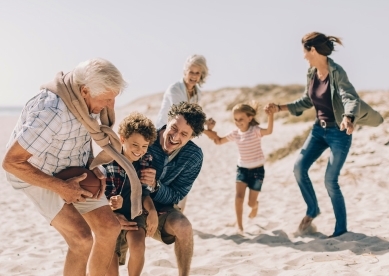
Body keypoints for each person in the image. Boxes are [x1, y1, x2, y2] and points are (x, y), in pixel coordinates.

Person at [1, 58, 142, 276]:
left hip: (69, 167)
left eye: (113, 99)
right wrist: (60, 187)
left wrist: (93, 167)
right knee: (81, 239)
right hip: (35, 172)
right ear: (85, 90)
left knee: (109, 228)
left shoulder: (87, 100)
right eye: (106, 99)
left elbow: (80, 140)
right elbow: (11, 162)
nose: (110, 106)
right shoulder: (52, 112)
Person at [266, 32, 383, 238]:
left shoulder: (337, 72)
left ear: (312, 50)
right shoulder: (311, 73)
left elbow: (349, 97)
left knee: (330, 180)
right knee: (299, 168)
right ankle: (312, 209)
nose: (303, 56)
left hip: (339, 132)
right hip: (318, 130)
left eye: (304, 51)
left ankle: (340, 230)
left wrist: (348, 117)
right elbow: (306, 100)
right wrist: (279, 108)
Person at [117, 102, 206, 276]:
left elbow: (178, 195)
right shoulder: (145, 140)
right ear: (168, 120)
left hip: (162, 209)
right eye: (173, 128)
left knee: (184, 227)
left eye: (184, 134)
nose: (175, 136)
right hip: (127, 204)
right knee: (112, 256)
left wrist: (156, 186)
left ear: (192, 137)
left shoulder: (194, 156)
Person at [204, 101, 274, 235]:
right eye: (235, 120)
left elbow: (269, 131)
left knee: (250, 203)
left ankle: (255, 206)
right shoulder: (235, 133)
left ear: (250, 118)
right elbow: (218, 141)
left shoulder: (255, 131)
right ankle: (240, 226)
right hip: (242, 169)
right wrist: (209, 130)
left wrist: (271, 116)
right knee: (238, 198)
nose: (238, 122)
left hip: (257, 171)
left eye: (241, 119)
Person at [102, 112, 158, 276]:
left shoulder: (146, 160)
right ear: (122, 139)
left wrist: (152, 211)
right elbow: (102, 196)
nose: (139, 150)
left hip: (134, 214)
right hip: (109, 218)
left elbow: (144, 192)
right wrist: (111, 203)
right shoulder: (110, 161)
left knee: (138, 246)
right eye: (135, 144)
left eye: (144, 146)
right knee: (110, 262)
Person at [155, 54, 212, 212]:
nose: (193, 76)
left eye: (197, 73)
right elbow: (182, 116)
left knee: (183, 172)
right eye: (191, 72)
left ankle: (178, 211)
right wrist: (206, 130)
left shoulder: (197, 93)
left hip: (182, 135)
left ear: (202, 75)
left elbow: (193, 118)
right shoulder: (175, 89)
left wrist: (206, 123)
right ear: (185, 72)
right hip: (165, 133)